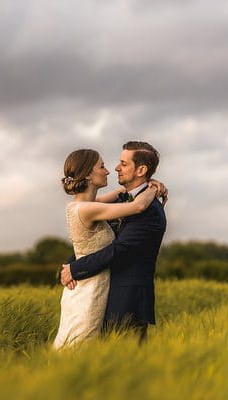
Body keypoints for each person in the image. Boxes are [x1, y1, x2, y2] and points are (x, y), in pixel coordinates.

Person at [52, 148, 166, 350]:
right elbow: (134, 208)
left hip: (126, 300)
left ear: (141, 170)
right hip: (91, 290)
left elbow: (118, 248)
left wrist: (151, 186)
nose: (113, 169)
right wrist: (73, 266)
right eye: (103, 166)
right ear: (88, 174)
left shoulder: (147, 211)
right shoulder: (92, 206)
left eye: (123, 163)